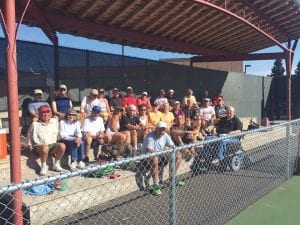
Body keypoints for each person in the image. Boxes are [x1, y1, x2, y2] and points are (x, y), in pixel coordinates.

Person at [142, 121, 184, 196]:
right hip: (148, 156)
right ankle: (156, 184)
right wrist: (164, 153)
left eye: (163, 129)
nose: (162, 131)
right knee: (155, 159)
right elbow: (150, 150)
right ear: (156, 129)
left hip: (160, 154)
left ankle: (172, 178)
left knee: (178, 155)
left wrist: (174, 150)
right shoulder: (150, 136)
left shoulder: (165, 135)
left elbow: (172, 145)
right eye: (160, 129)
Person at [27, 105, 66, 175]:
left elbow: (66, 120)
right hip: (39, 147)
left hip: (51, 145)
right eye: (43, 112)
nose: (46, 114)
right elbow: (29, 139)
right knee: (45, 147)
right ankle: (43, 166)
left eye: (48, 112)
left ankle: (56, 164)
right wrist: (31, 152)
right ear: (39, 114)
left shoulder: (54, 121)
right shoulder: (35, 124)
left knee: (62, 146)